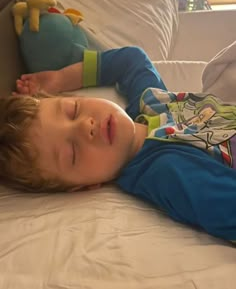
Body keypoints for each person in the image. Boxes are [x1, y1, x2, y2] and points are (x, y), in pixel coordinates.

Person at [3, 46, 236, 242]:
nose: (86, 127)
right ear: (85, 186)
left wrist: (60, 78)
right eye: (72, 152)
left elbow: (131, 61)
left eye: (73, 110)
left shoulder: (148, 105)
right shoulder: (166, 171)